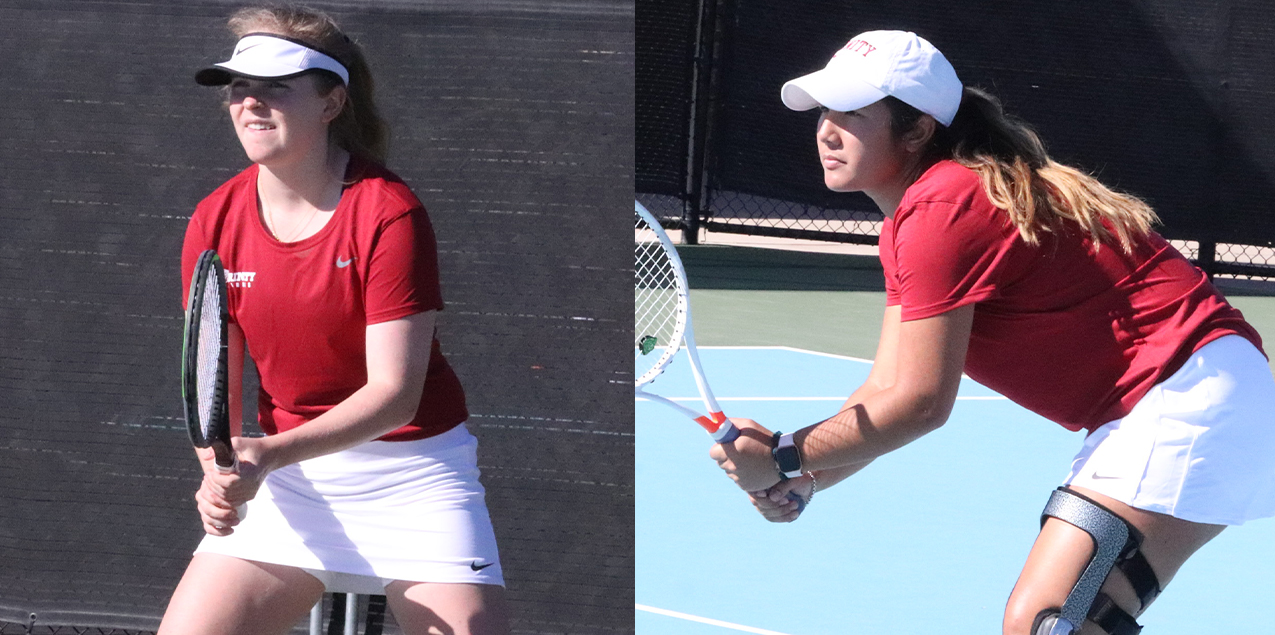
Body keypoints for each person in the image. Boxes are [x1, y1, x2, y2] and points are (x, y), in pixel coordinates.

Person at [709, 30, 1275, 635]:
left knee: (1044, 622)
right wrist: (802, 477)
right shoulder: (923, 214)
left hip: (1184, 397)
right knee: (1080, 622)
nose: (826, 129)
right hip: (1208, 394)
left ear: (919, 129)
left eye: (852, 112)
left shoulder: (943, 206)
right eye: (824, 110)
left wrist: (784, 454)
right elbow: (885, 387)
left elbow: (922, 404)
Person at [162, 6, 509, 634]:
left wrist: (263, 455)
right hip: (289, 483)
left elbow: (394, 397)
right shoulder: (213, 220)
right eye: (240, 88)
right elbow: (212, 381)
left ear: (331, 103)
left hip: (416, 474)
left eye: (276, 89)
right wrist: (219, 472)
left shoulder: (388, 214)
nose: (251, 104)